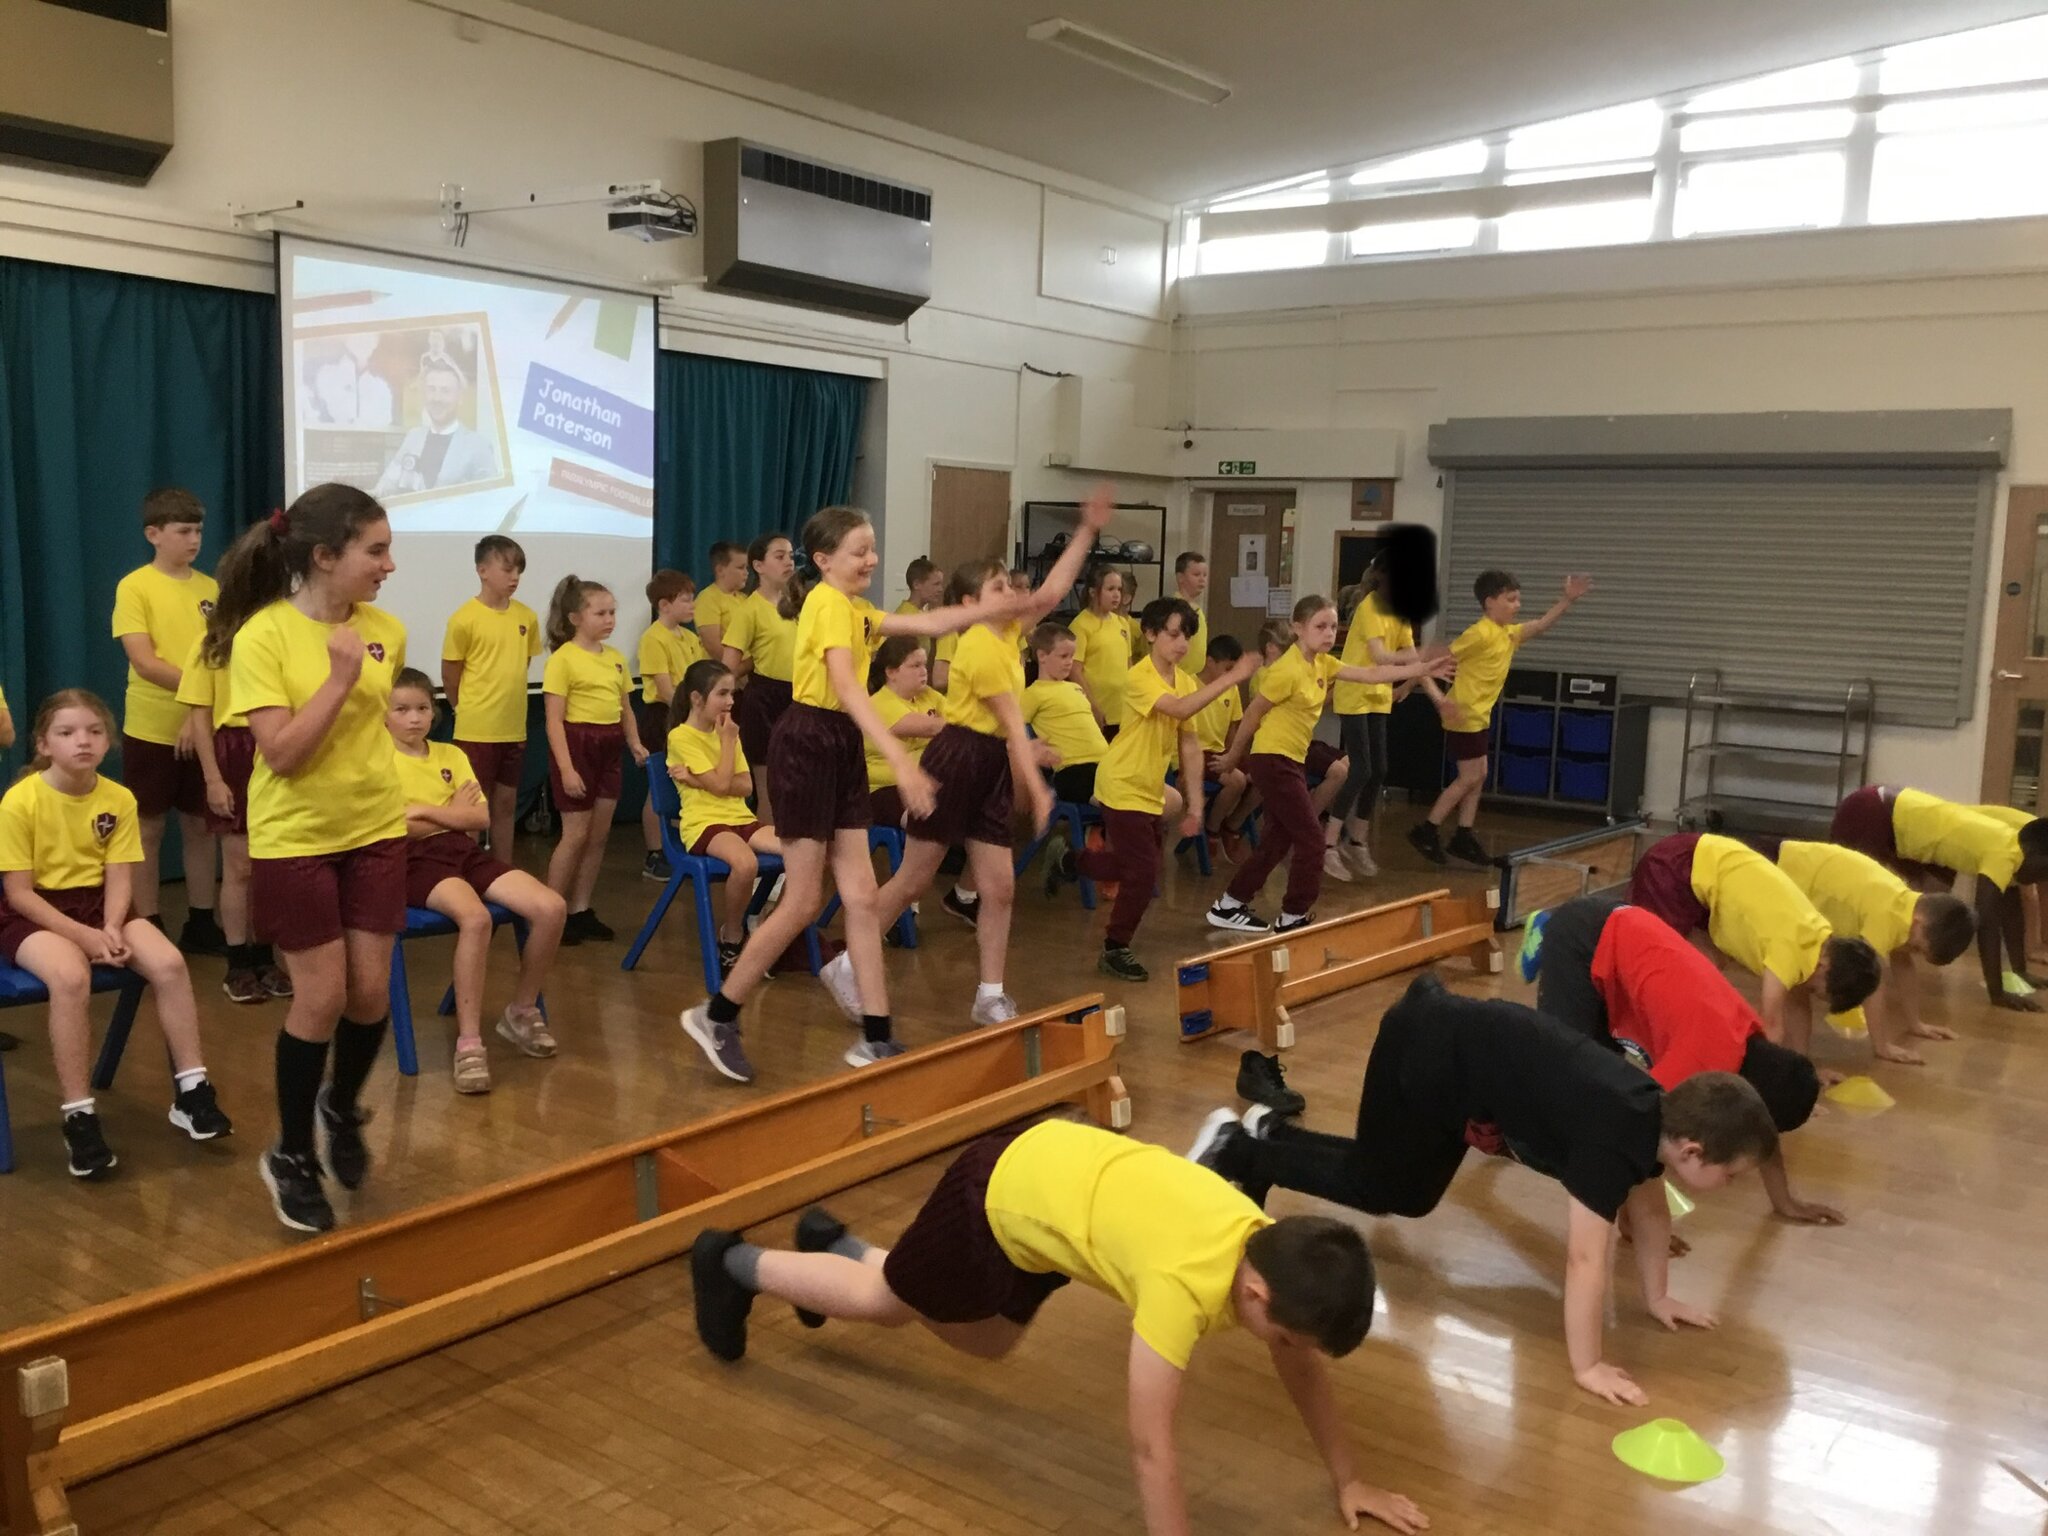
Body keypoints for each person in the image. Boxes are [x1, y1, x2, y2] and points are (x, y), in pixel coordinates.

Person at [690, 1116, 1429, 1536]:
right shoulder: (1182, 1289)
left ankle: (843, 1253)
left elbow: (1303, 1364)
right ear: (1260, 1294)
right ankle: (733, 1264)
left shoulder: (1264, 1243)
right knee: (890, 1303)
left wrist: (1351, 1478)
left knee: (991, 1340)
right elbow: (1151, 1448)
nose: (1288, 1354)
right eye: (1286, 1338)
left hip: (1055, 1196)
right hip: (997, 1200)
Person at [1192, 973, 1778, 1407]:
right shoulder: (1614, 1141)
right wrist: (1589, 1365)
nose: (1727, 1188)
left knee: (1408, 1190)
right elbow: (1584, 1258)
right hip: (1424, 1046)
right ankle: (1236, 1147)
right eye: (1730, 1176)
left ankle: (1268, 1135)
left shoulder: (1649, 1119)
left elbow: (1650, 1216)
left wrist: (1657, 1299)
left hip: (1454, 1059)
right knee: (1380, 1183)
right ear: (1693, 1151)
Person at [679, 504, 1027, 1083]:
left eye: (872, 548)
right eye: (859, 550)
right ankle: (716, 1015)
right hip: (809, 743)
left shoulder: (856, 609)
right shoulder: (825, 605)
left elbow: (927, 625)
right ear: (822, 560)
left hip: (838, 744)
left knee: (863, 899)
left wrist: (996, 605)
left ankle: (877, 1037)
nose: (871, 558)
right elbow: (844, 685)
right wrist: (901, 763)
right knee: (803, 901)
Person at [827, 515, 1113, 1033]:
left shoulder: (1008, 635)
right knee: (912, 881)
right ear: (968, 604)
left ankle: (990, 994)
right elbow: (1008, 721)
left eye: (1009, 585)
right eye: (998, 587)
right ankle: (848, 962)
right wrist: (1036, 786)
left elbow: (1052, 592)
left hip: (990, 766)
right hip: (958, 759)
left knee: (1000, 888)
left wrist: (1087, 531)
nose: (1012, 593)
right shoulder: (979, 646)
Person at [218, 484, 408, 1234]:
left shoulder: (387, 628)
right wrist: (338, 679)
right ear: (325, 557)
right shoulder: (263, 637)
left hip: (375, 830)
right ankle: (291, 1154)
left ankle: (340, 1106)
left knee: (370, 995)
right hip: (295, 836)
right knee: (321, 998)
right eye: (376, 550)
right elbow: (284, 756)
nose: (390, 565)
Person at [0, 689, 232, 1178]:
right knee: (68, 977)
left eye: (94, 731)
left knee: (169, 963)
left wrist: (109, 925)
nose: (82, 742)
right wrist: (85, 939)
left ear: (108, 740)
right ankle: (79, 1116)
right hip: (37, 911)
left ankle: (192, 1092)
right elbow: (20, 894)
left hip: (101, 906)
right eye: (67, 733)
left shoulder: (119, 797)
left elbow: (121, 875)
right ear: (44, 744)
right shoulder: (20, 801)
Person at [1522, 895, 1841, 1226]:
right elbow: (1632, 1125)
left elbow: (1760, 1129)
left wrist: (1785, 1201)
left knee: (1595, 1078)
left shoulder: (1752, 1041)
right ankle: (1547, 932)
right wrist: (1634, 1220)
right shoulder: (1701, 1061)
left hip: (1624, 938)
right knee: (1562, 1076)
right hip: (1583, 939)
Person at [1209, 595, 1454, 936]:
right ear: (1297, 628)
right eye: (1320, 626)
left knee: (1277, 840)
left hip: (1291, 759)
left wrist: (1423, 668)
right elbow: (1252, 714)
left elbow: (1373, 673)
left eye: (1333, 626)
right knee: (1311, 839)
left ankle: (1229, 905)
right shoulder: (1285, 670)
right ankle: (1293, 914)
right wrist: (1235, 756)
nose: (1328, 633)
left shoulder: (1324, 664)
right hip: (1272, 759)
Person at [1043, 600, 1257, 982]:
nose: (1181, 644)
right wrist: (1231, 678)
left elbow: (1189, 745)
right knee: (1142, 873)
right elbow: (1176, 710)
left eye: (1187, 636)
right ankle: (1114, 947)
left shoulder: (1187, 681)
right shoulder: (1139, 676)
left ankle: (1069, 862)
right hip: (1121, 781)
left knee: (1138, 869)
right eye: (1173, 634)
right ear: (1152, 634)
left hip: (1149, 787)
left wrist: (1195, 803)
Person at [387, 668, 566, 1094]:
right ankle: (469, 1044)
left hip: (462, 851)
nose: (414, 718)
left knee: (551, 908)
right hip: (412, 862)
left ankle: (520, 1010)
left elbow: (479, 818)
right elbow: (393, 828)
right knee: (476, 919)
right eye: (402, 710)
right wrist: (447, 811)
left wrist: (424, 811)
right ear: (383, 715)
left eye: (423, 709)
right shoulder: (375, 759)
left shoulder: (451, 756)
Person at [1626, 833, 1882, 1047]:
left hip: (1707, 860)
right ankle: (1638, 1039)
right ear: (1825, 967)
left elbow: (1798, 1006)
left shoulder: (1817, 935)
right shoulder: (1790, 951)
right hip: (1676, 866)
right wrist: (1788, 1096)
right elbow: (1771, 1026)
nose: (1809, 991)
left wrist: (1805, 1074)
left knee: (1709, 966)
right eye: (1817, 990)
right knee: (1669, 969)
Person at [1411, 569, 1592, 868]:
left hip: (1479, 716)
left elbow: (1541, 625)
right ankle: (1426, 830)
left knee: (1479, 774)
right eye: (1511, 599)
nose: (1517, 605)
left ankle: (1463, 835)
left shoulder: (1507, 634)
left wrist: (1566, 600)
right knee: (1470, 776)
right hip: (1463, 715)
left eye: (1518, 599)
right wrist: (1440, 700)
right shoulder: (1478, 633)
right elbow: (1425, 666)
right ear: (1490, 602)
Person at [110, 487, 222, 951]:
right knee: (149, 827)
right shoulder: (135, 586)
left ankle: (201, 922)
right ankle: (148, 920)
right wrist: (196, 698)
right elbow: (145, 661)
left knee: (199, 825)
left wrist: (200, 717)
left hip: (203, 726)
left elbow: (218, 657)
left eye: (198, 530)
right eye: (183, 531)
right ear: (154, 534)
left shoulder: (211, 588)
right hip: (151, 726)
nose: (193, 539)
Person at [1829, 785, 2048, 1013]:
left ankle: (1868, 960)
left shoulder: (2017, 852)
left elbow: (2012, 916)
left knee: (1920, 906)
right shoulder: (2004, 852)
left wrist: (2020, 972)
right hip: (1873, 810)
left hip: (1914, 836)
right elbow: (1988, 923)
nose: (2042, 880)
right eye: (2044, 873)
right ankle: (1835, 973)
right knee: (1848, 893)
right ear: (2034, 855)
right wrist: (1997, 993)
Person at [1766, 839, 1976, 1063]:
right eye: (1916, 947)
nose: (1909, 949)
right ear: (1919, 921)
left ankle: (1799, 1062)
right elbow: (1872, 984)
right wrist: (1882, 1046)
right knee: (1799, 980)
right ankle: (1797, 1062)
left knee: (1802, 978)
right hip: (1782, 873)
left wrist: (1916, 1023)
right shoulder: (1887, 914)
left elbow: (1903, 964)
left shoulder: (1904, 906)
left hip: (1795, 864)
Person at [179, 616, 288, 1005]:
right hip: (235, 751)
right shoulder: (211, 642)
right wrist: (212, 778)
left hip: (279, 743)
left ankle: (265, 955)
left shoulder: (285, 631)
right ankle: (237, 962)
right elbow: (200, 713)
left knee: (271, 865)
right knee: (240, 864)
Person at [541, 576, 648, 945]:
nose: (610, 619)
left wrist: (634, 743)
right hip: (577, 744)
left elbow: (625, 709)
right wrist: (568, 768)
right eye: (600, 613)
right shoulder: (563, 659)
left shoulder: (616, 660)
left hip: (608, 747)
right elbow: (553, 720)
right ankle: (550, 913)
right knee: (575, 835)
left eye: (613, 612)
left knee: (598, 837)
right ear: (574, 618)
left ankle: (580, 909)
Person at [667, 659, 784, 977]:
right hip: (704, 823)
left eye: (732, 693)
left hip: (739, 817)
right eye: (722, 694)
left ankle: (772, 927)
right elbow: (721, 785)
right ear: (696, 698)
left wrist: (698, 779)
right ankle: (732, 937)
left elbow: (745, 787)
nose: (731, 701)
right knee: (746, 864)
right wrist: (727, 746)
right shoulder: (682, 737)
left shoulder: (728, 732)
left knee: (807, 851)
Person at [1328, 557, 1443, 877]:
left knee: (1379, 769)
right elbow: (1381, 655)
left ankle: (1356, 841)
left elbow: (1409, 654)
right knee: (1361, 768)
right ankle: (1328, 842)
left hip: (1378, 696)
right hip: (1354, 693)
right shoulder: (1370, 607)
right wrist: (1423, 658)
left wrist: (1433, 693)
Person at [441, 535, 541, 859]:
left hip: (513, 728)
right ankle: (467, 874)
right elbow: (450, 673)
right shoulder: (464, 618)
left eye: (519, 572)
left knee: (506, 804)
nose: (514, 578)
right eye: (507, 569)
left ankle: (501, 871)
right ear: (483, 570)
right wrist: (464, 708)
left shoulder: (526, 617)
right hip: (476, 729)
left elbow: (521, 665)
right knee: (472, 807)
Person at [720, 533, 799, 825]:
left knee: (795, 787)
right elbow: (727, 668)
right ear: (759, 565)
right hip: (766, 702)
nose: (788, 562)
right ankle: (766, 863)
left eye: (790, 555)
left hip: (799, 698)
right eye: (779, 556)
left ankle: (790, 865)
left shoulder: (797, 606)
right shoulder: (748, 610)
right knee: (771, 790)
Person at [636, 570, 706, 882]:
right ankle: (654, 854)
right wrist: (691, 711)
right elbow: (665, 689)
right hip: (662, 717)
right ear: (664, 604)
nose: (692, 604)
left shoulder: (690, 638)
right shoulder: (653, 638)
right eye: (686, 599)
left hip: (689, 717)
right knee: (658, 784)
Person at [371, 357, 500, 495]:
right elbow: (386, 485)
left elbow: (490, 502)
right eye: (431, 389)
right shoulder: (413, 437)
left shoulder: (478, 445)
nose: (437, 398)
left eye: (445, 391)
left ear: (460, 397)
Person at [1021, 622, 1110, 813]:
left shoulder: (1076, 688)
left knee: (1161, 799)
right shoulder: (1034, 693)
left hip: (1105, 764)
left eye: (1072, 656)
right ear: (1042, 656)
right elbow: (1011, 728)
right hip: (1073, 771)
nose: (1070, 661)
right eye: (1063, 656)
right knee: (1128, 806)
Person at [864, 636, 945, 828]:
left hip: (925, 782)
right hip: (884, 790)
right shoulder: (879, 703)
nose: (924, 671)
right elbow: (933, 727)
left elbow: (960, 719)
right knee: (935, 817)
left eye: (924, 665)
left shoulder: (928, 695)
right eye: (915, 666)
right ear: (892, 672)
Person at [1190, 635, 1255, 859]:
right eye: (1228, 669)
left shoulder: (1231, 689)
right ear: (1210, 662)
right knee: (1235, 780)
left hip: (1219, 752)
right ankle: (1212, 829)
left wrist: (1233, 755)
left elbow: (1232, 730)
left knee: (1266, 774)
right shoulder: (1189, 685)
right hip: (1197, 754)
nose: (1232, 676)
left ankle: (1233, 824)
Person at [1069, 566, 1133, 736]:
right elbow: (1075, 670)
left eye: (1119, 589)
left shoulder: (1122, 623)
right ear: (1093, 592)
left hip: (1122, 709)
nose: (1116, 595)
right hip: (1096, 707)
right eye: (1110, 589)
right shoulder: (1081, 625)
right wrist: (1093, 705)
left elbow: (1128, 665)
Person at [694, 541, 750, 660]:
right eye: (740, 567)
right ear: (720, 570)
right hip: (721, 672)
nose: (746, 573)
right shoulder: (707, 598)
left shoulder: (744, 599)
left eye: (746, 568)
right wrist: (734, 671)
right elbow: (713, 646)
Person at [1171, 552, 1210, 674]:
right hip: (1177, 675)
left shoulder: (1197, 609)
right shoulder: (1173, 609)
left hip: (1193, 677)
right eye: (1196, 574)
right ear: (1180, 577)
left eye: (1205, 575)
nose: (1202, 579)